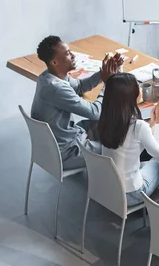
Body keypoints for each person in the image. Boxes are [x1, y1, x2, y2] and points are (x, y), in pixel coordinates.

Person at [31, 35, 122, 170]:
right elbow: (95, 112)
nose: (73, 55)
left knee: (112, 123)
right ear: (55, 62)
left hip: (64, 137)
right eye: (67, 54)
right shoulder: (56, 88)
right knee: (117, 149)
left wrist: (103, 73)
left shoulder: (49, 76)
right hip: (67, 153)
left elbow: (79, 86)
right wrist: (108, 83)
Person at [98, 73, 159, 206]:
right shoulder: (137, 126)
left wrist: (150, 124)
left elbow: (131, 143)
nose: (140, 89)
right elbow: (157, 152)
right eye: (137, 87)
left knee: (150, 162)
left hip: (110, 189)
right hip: (132, 193)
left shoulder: (107, 119)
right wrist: (158, 119)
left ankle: (157, 201)